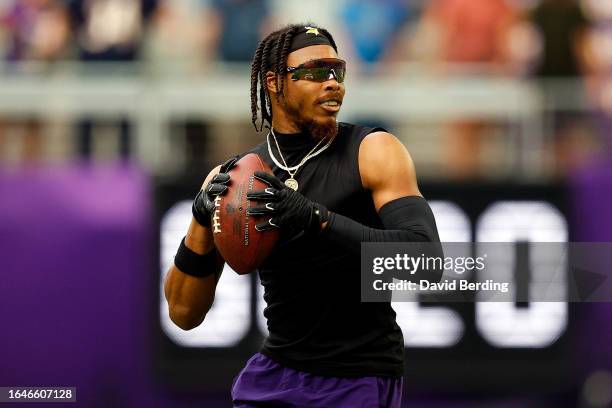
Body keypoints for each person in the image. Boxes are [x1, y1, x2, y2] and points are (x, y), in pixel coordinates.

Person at [164, 23, 441, 407]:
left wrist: (315, 218)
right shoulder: (238, 177)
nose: (333, 83)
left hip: (357, 378)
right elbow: (182, 313)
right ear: (275, 83)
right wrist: (199, 219)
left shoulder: (372, 151)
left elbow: (426, 261)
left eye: (337, 71)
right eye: (314, 72)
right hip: (276, 374)